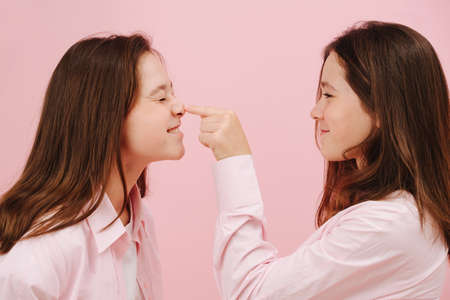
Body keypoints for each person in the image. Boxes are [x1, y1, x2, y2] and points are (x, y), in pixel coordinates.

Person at [186, 21, 449, 299]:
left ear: (382, 108)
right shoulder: (399, 216)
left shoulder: (389, 224)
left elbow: (251, 292)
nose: (315, 111)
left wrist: (234, 160)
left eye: (329, 95)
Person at [0, 34, 185, 299]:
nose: (179, 108)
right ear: (108, 116)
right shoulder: (38, 257)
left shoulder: (141, 224)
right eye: (160, 98)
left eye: (173, 93)